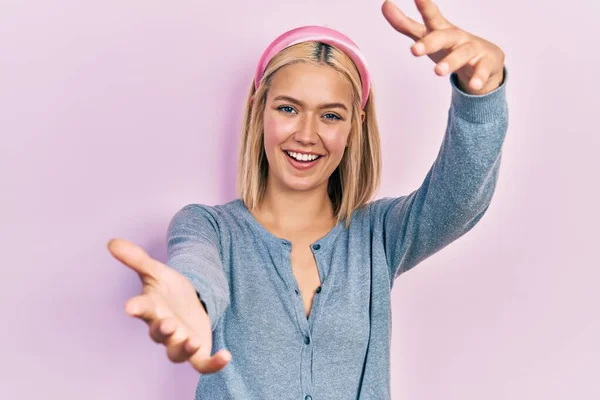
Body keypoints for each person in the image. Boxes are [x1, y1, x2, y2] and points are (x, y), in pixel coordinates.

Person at [108, 1, 509, 398]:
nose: (305, 133)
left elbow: (460, 199)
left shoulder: (379, 235)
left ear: (356, 126)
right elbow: (197, 268)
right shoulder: (209, 227)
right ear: (258, 109)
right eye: (288, 108)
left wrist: (482, 97)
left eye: (331, 115)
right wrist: (191, 303)